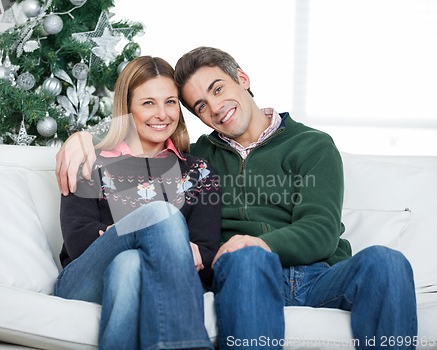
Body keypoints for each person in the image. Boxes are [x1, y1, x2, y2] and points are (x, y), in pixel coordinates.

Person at [56, 47, 417, 350]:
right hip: (243, 271)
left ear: (242, 79)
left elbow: (321, 229)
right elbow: (135, 144)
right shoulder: (200, 156)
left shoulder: (311, 146)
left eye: (217, 89)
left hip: (316, 277)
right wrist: (80, 137)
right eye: (199, 105)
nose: (214, 107)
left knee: (387, 261)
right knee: (240, 258)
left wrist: (256, 241)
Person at [54, 56, 221, 350]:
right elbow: (79, 240)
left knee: (129, 264)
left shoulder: (200, 172)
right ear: (127, 108)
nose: (162, 114)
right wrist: (153, 235)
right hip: (83, 280)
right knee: (159, 214)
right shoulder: (91, 162)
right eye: (148, 103)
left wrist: (187, 251)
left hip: (132, 274)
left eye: (170, 102)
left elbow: (207, 256)